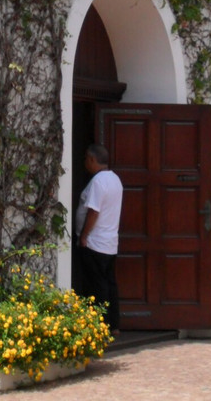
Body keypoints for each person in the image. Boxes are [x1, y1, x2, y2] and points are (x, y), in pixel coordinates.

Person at [76, 143, 123, 335]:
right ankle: (114, 325)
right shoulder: (115, 180)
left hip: (95, 242)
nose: (85, 163)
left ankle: (101, 325)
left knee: (98, 286)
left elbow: (93, 212)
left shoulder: (98, 182)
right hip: (110, 242)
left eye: (87, 159)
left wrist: (84, 235)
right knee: (110, 283)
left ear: (93, 160)